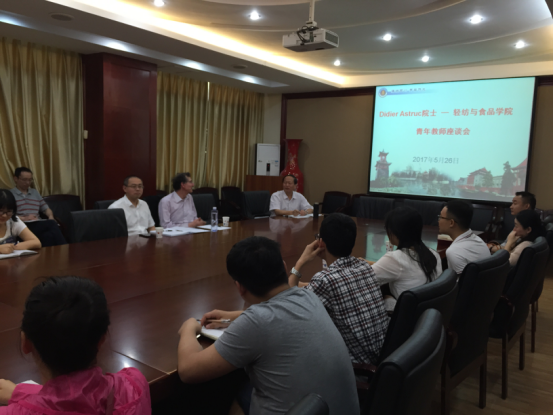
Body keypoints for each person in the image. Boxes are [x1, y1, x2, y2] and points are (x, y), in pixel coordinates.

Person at [177, 236, 359, 415]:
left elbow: (188, 371)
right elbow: (278, 314)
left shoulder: (256, 323)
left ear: (240, 287)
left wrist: (189, 328)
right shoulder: (308, 296)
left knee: (229, 394)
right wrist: (233, 317)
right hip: (334, 408)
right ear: (284, 267)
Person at [0, 276, 151, 414]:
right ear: (101, 339)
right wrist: (22, 393)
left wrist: (22, 394)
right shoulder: (134, 388)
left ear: (25, 343)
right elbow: (78, 398)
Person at [288, 213, 389, 365]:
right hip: (384, 355)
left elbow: (289, 305)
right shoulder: (364, 267)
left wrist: (300, 262)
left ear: (321, 243)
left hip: (357, 367)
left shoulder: (324, 280)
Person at [366, 207, 442, 311]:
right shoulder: (433, 254)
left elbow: (363, 279)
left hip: (406, 315)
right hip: (428, 314)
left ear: (395, 231)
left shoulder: (395, 258)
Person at [439, 200, 490, 274]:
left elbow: (461, 281)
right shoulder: (479, 241)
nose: (438, 221)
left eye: (441, 217)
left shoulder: (454, 252)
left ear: (451, 223)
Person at [0, 189, 41, 254]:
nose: (4, 215)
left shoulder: (13, 221)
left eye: (9, 212)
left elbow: (36, 242)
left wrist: (11, 247)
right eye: (1, 211)